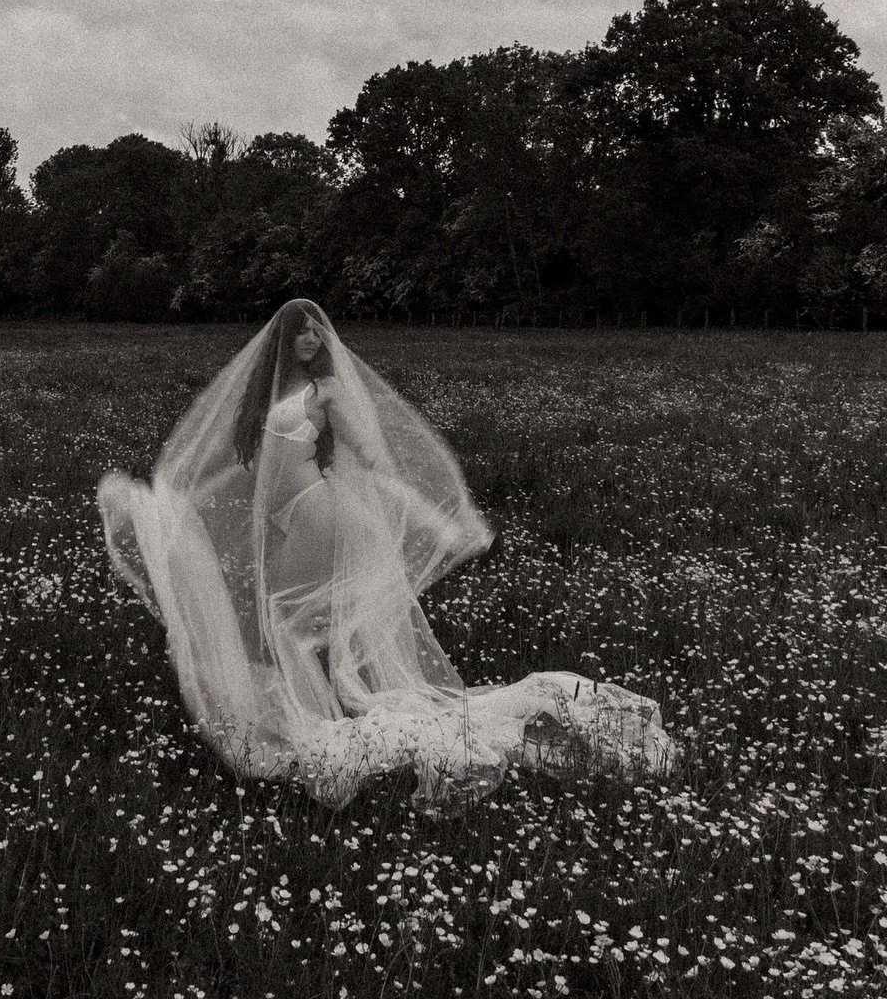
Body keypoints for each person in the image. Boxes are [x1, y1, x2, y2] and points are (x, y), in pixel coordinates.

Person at [98, 299, 675, 808]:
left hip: (318, 511)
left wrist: (430, 515)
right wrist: (173, 499)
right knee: (292, 622)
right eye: (300, 331)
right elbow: (243, 466)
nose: (311, 339)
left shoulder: (325, 391)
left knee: (286, 623)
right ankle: (324, 710)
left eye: (316, 331)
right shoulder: (267, 396)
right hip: (292, 517)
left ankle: (316, 723)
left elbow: (370, 454)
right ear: (282, 340)